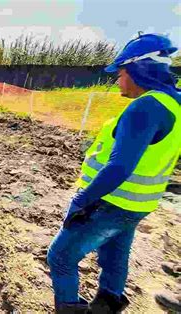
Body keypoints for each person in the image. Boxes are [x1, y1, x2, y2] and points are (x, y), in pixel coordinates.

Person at [46, 33, 181, 313]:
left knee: (60, 257)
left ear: (137, 69)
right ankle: (108, 304)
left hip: (111, 202)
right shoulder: (174, 105)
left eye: (120, 73)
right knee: (115, 253)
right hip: (138, 204)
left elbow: (119, 166)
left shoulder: (146, 107)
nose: (118, 80)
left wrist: (81, 200)